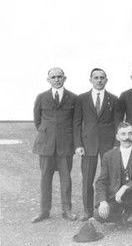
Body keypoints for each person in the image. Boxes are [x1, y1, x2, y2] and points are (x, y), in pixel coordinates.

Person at [32, 67, 78, 223]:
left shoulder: (73, 98)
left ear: (64, 78)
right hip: (46, 145)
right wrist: (47, 134)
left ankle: (67, 210)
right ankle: (44, 210)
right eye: (53, 77)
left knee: (66, 180)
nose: (57, 79)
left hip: (65, 145)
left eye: (59, 76)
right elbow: (37, 120)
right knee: (45, 179)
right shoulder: (41, 97)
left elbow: (76, 122)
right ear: (48, 79)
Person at [74, 68, 121, 221]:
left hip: (108, 143)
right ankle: (87, 210)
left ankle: (107, 208)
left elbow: (117, 123)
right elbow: (77, 123)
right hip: (88, 144)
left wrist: (116, 144)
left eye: (102, 77)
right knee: (87, 177)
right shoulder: (82, 99)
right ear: (91, 80)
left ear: (106, 80)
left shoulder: (113, 99)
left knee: (109, 176)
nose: (99, 80)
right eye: (96, 77)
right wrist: (78, 144)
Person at [95, 122, 132, 233]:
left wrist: (125, 187)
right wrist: (103, 202)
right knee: (98, 215)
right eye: (123, 134)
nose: (127, 137)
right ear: (117, 137)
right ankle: (127, 215)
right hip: (118, 199)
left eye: (130, 134)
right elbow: (101, 181)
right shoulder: (108, 156)